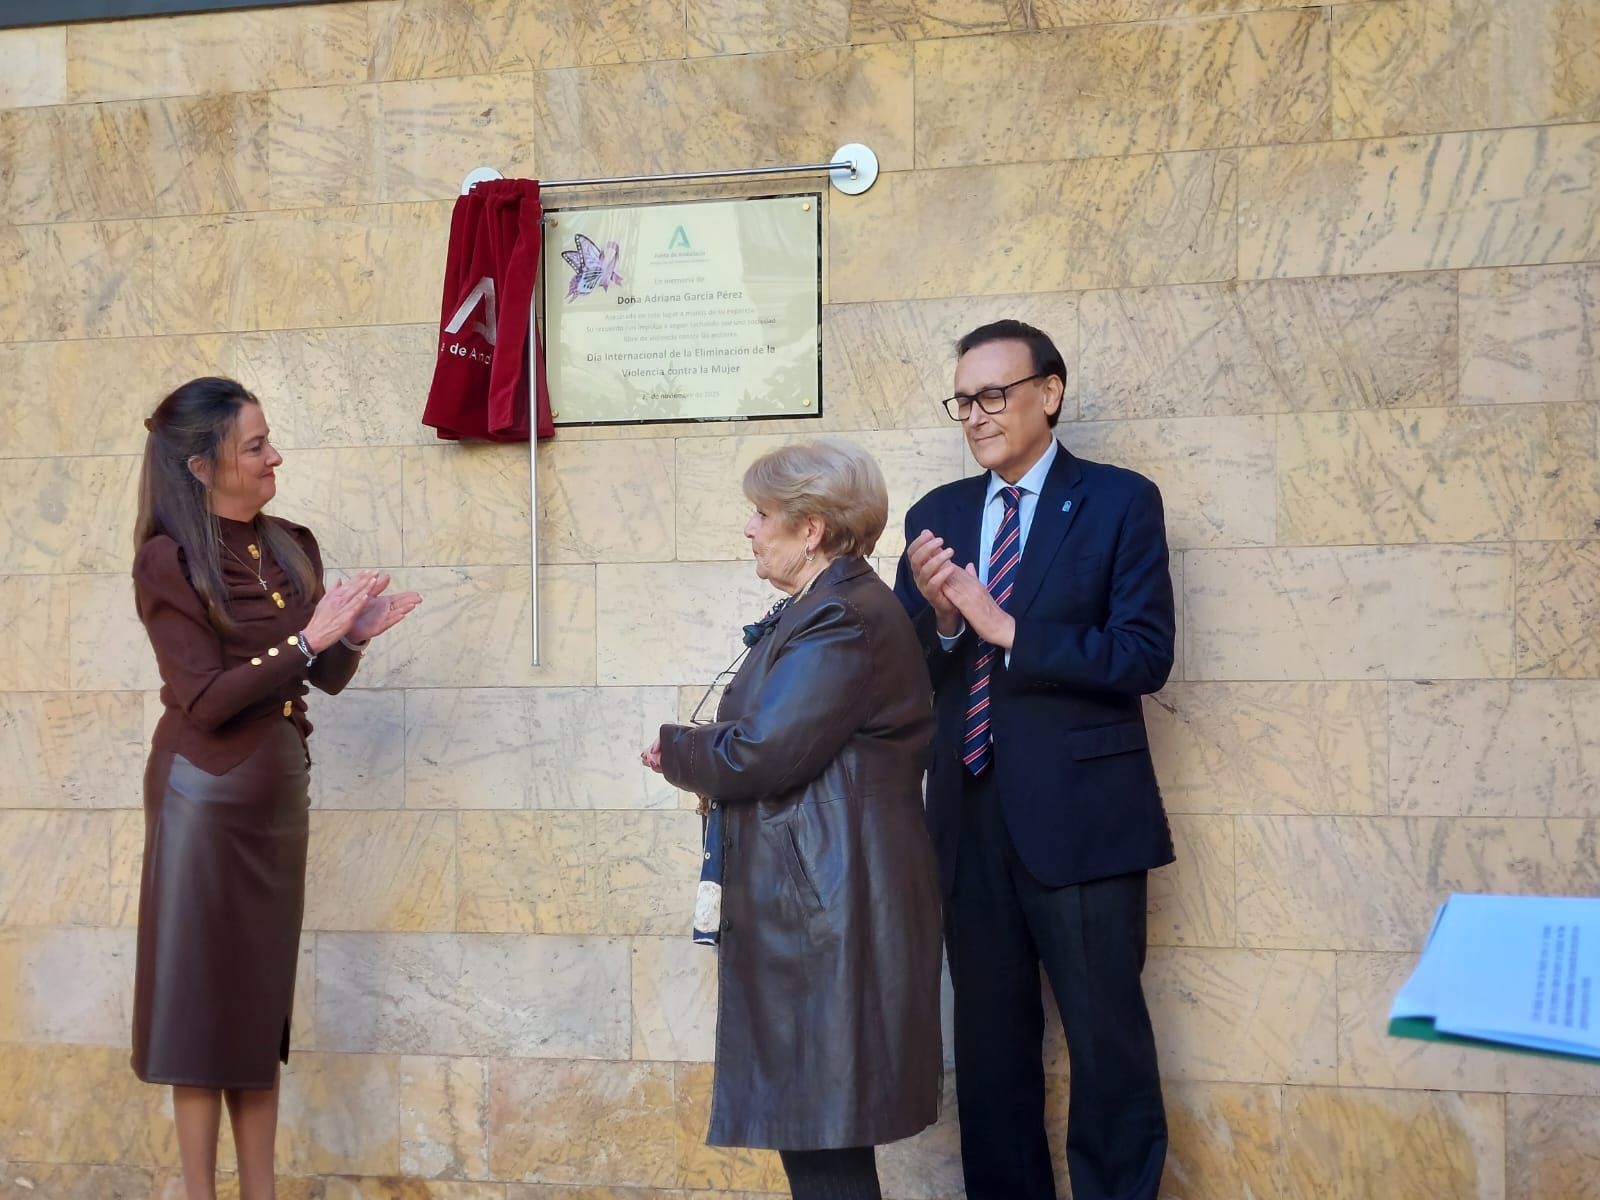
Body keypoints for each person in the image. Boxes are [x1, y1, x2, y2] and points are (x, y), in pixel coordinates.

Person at [894, 321, 1175, 1200]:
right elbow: (909, 678)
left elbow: (1143, 655)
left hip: (1083, 821)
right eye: (962, 401)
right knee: (987, 1050)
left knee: (1107, 1045)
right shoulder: (935, 516)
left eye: (992, 396)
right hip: (968, 819)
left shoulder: (1121, 501)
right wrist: (942, 624)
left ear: (1048, 392)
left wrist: (1004, 625)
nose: (974, 417)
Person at [130, 377, 421, 1200]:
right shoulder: (170, 560)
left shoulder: (292, 541)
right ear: (201, 465)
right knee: (199, 1008)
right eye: (254, 446)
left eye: (269, 439)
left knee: (258, 1008)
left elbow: (319, 676)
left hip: (274, 796)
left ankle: (261, 1190)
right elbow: (206, 699)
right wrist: (310, 635)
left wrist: (350, 638)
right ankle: (199, 1192)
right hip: (202, 798)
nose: (273, 457)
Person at [642, 440, 943, 1200]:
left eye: (762, 513)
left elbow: (765, 752)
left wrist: (678, 748)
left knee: (824, 1142)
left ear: (811, 529)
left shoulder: (842, 615)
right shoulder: (826, 606)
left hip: (824, 911)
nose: (749, 528)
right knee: (816, 1136)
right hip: (817, 900)